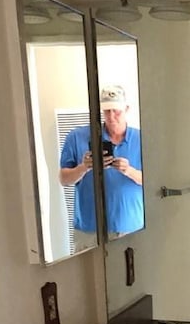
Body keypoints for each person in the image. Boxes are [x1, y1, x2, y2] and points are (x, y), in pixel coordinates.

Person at [59, 84, 144, 240]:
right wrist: (84, 167)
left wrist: (129, 171)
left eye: (116, 111)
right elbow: (63, 179)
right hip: (89, 230)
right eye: (106, 110)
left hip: (132, 227)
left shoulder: (142, 139)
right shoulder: (77, 137)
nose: (111, 116)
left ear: (126, 109)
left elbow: (153, 181)